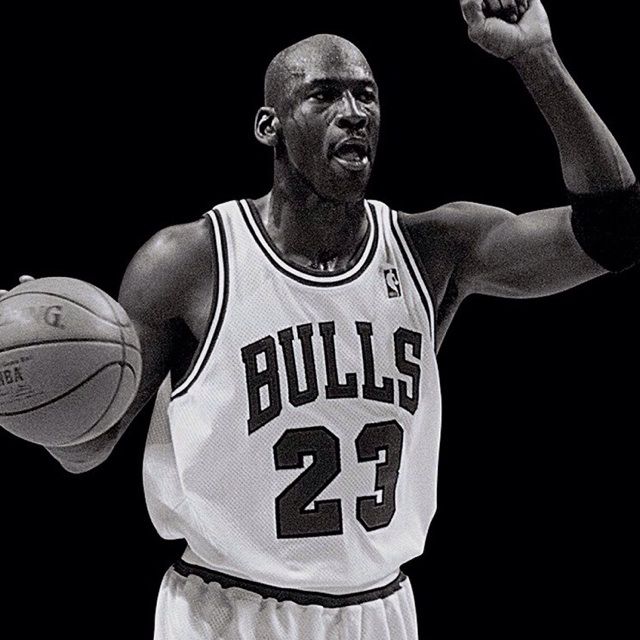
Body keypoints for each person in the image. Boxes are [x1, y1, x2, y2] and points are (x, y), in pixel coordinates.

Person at [1, 1, 638, 638]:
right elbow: (89, 447)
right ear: (269, 126)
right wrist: (32, 381)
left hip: (379, 610)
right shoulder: (190, 262)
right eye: (323, 95)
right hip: (227, 612)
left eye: (367, 95)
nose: (354, 112)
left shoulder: (433, 249)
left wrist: (536, 57)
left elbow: (614, 232)